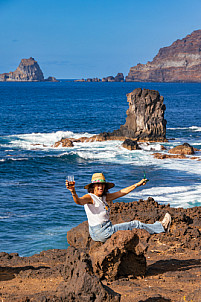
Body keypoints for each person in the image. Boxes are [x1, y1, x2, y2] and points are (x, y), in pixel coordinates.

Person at [66, 172, 171, 243]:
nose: (100, 187)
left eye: (102, 185)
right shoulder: (90, 197)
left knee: (129, 225)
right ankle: (162, 227)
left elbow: (121, 193)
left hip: (98, 232)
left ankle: (157, 227)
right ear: (93, 187)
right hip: (102, 232)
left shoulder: (104, 197)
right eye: (98, 185)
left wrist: (137, 185)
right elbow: (79, 201)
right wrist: (73, 192)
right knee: (135, 224)